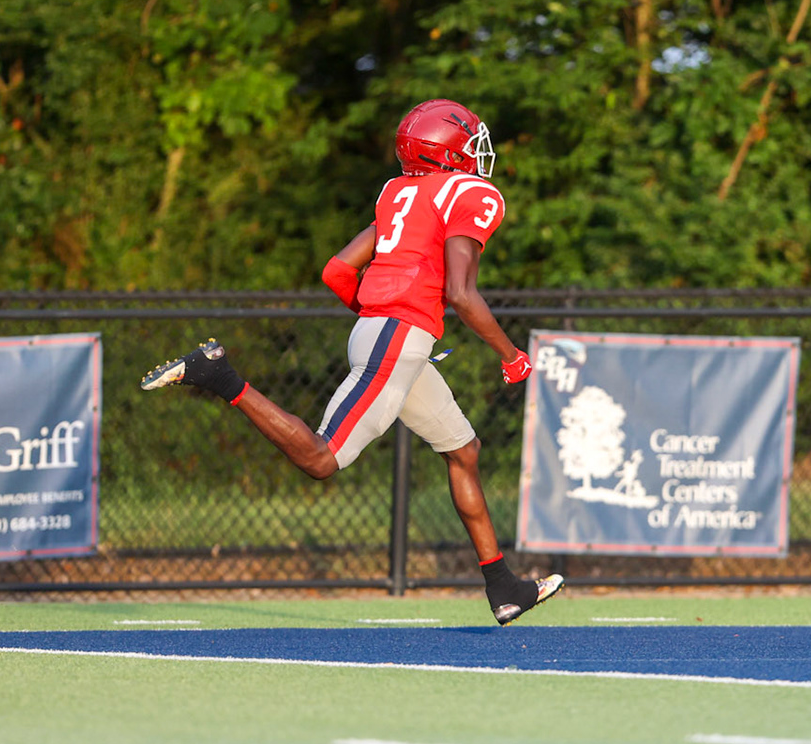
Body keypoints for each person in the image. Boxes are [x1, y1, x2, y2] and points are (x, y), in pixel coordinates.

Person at [140, 99, 564, 625]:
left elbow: (338, 270)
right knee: (323, 459)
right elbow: (461, 292)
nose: (478, 151)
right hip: (397, 337)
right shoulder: (470, 192)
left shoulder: (397, 191)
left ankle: (503, 587)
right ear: (448, 150)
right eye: (469, 140)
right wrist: (511, 355)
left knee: (464, 451)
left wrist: (381, 311)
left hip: (389, 333)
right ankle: (218, 374)